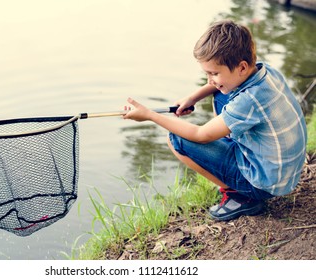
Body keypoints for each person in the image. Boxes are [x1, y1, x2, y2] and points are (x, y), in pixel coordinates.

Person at [123, 20, 307, 221]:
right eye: (207, 73)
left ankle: (241, 195)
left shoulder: (249, 100)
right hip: (282, 174)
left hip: (264, 184)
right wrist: (193, 97)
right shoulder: (265, 71)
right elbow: (218, 86)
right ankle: (233, 157)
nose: (210, 80)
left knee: (176, 139)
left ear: (242, 67)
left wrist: (149, 115)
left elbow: (200, 135)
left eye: (214, 73)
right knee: (221, 94)